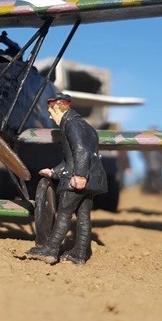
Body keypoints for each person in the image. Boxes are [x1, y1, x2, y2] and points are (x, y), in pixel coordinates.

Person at [26, 93, 106, 265]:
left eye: (50, 111)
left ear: (58, 107)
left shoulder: (71, 124)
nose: (49, 115)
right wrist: (54, 172)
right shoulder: (87, 126)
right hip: (95, 179)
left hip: (80, 178)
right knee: (83, 216)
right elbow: (71, 158)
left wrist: (80, 175)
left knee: (64, 213)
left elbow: (81, 151)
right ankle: (79, 254)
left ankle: (50, 249)